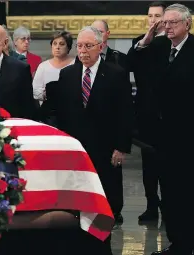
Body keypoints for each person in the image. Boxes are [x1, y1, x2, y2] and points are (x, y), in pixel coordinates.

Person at [48, 26, 134, 235]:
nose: (83, 51)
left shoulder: (116, 74)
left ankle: (104, 234)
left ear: (100, 46)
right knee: (77, 195)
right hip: (76, 147)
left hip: (106, 148)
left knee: (107, 195)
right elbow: (60, 112)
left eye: (88, 46)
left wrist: (121, 147)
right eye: (79, 46)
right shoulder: (68, 74)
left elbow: (125, 113)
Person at [130, 3, 194, 255]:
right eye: (164, 23)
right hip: (159, 136)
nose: (166, 27)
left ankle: (192, 243)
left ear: (187, 25)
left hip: (187, 135)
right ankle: (177, 244)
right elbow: (132, 63)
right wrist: (148, 37)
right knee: (167, 193)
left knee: (187, 193)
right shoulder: (157, 46)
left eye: (172, 23)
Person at [127, 1, 166, 222]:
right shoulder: (140, 43)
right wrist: (145, 41)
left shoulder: (172, 43)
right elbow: (129, 65)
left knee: (168, 163)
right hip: (146, 112)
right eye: (150, 16)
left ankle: (169, 206)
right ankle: (152, 205)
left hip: (169, 114)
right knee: (148, 163)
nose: (153, 20)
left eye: (157, 16)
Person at [32, 30, 75, 104]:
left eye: (61, 44)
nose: (57, 47)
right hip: (48, 110)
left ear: (68, 47)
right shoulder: (43, 67)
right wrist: (49, 94)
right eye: (54, 44)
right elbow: (34, 91)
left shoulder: (76, 65)